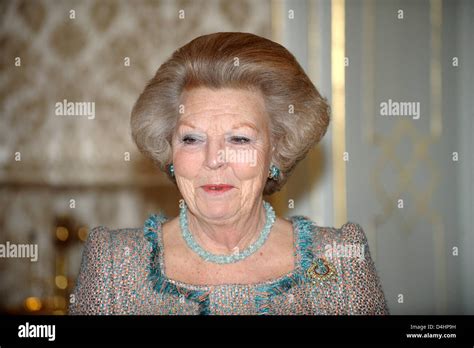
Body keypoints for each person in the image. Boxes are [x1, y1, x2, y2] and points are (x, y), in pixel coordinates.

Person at [69, 32, 389, 315]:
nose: (214, 160)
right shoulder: (113, 265)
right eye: (192, 139)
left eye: (239, 139)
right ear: (170, 152)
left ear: (276, 151)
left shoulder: (342, 260)